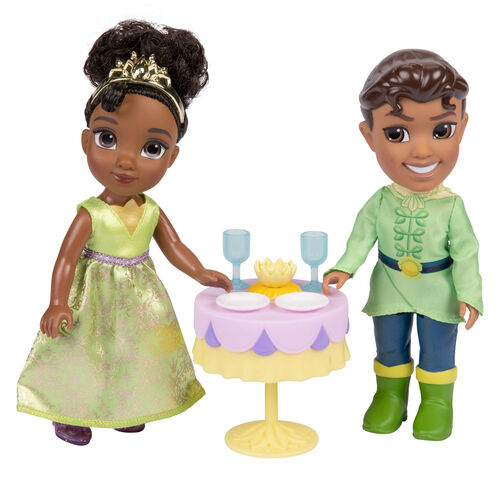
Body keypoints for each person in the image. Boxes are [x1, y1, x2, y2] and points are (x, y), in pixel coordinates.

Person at [17, 20, 232, 446]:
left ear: (171, 157)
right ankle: (70, 412)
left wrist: (200, 272)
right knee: (83, 353)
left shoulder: (151, 209)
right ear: (86, 142)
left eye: (151, 148)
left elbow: (174, 246)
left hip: (140, 296)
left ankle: (128, 404)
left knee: (133, 352)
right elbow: (66, 259)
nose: (126, 161)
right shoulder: (90, 213)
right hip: (92, 296)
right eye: (108, 138)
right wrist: (58, 302)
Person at [322, 49, 482, 441]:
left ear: (461, 128)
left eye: (441, 131)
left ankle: (437, 402)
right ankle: (390, 396)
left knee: (438, 348)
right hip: (390, 284)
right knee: (389, 345)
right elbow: (361, 237)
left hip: (439, 289)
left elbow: (466, 252)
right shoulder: (380, 201)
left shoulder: (452, 206)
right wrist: (345, 267)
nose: (422, 151)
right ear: (370, 136)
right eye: (397, 134)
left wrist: (469, 294)